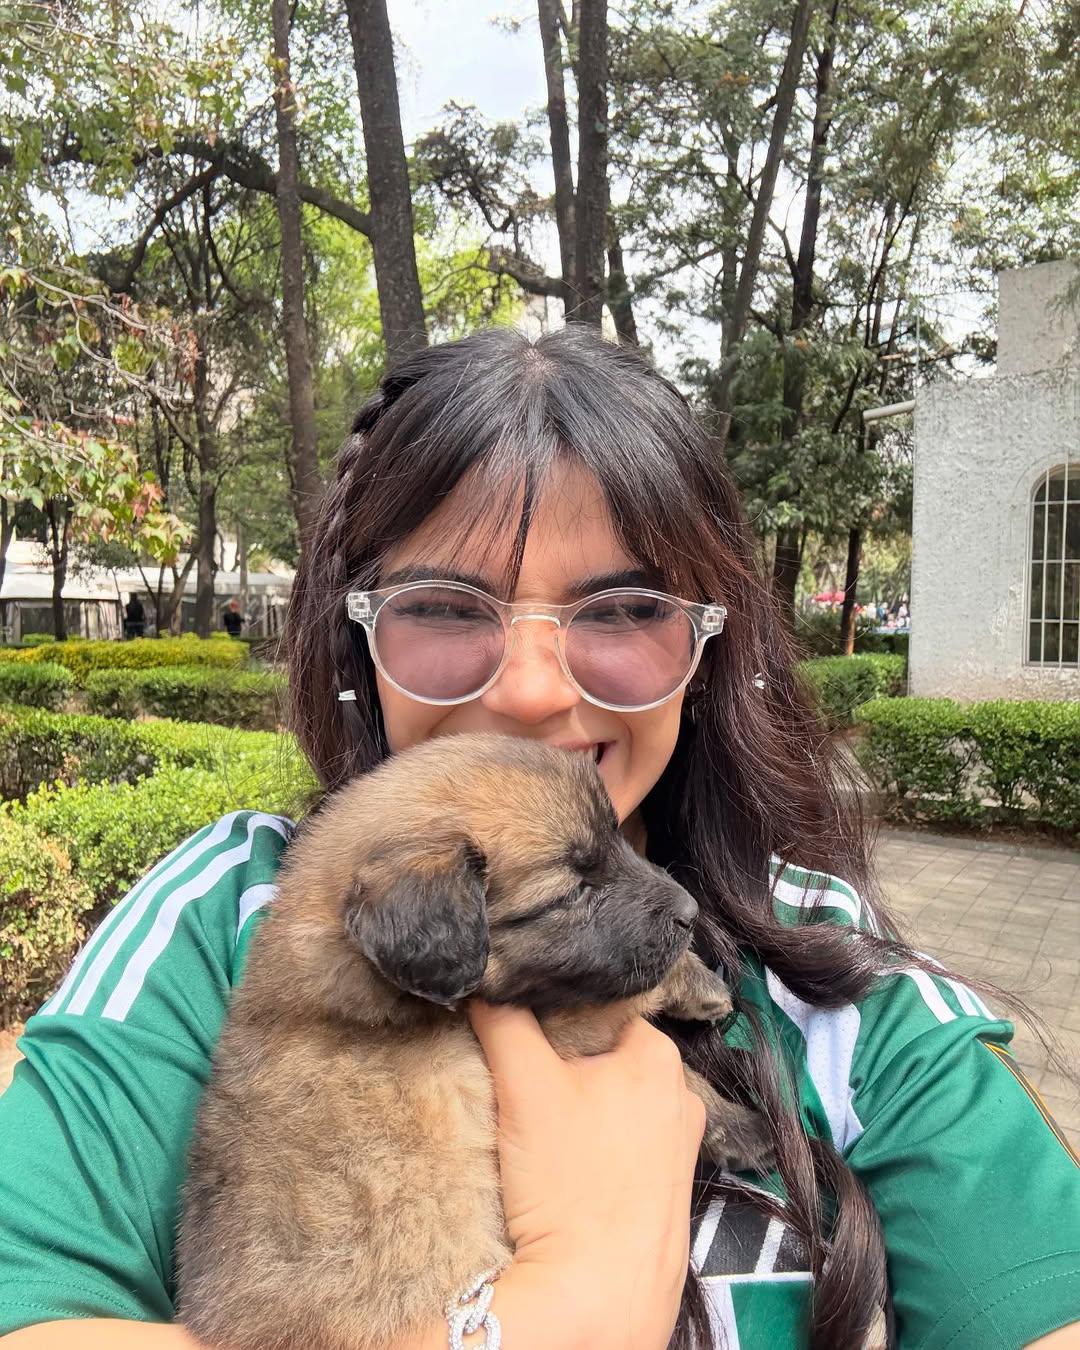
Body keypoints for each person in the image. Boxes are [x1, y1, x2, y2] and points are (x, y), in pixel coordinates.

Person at [1, 326, 1077, 1350]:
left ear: (707, 650)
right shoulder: (225, 914)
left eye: (619, 610)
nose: (526, 690)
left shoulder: (831, 978)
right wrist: (569, 1308)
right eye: (445, 606)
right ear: (356, 639)